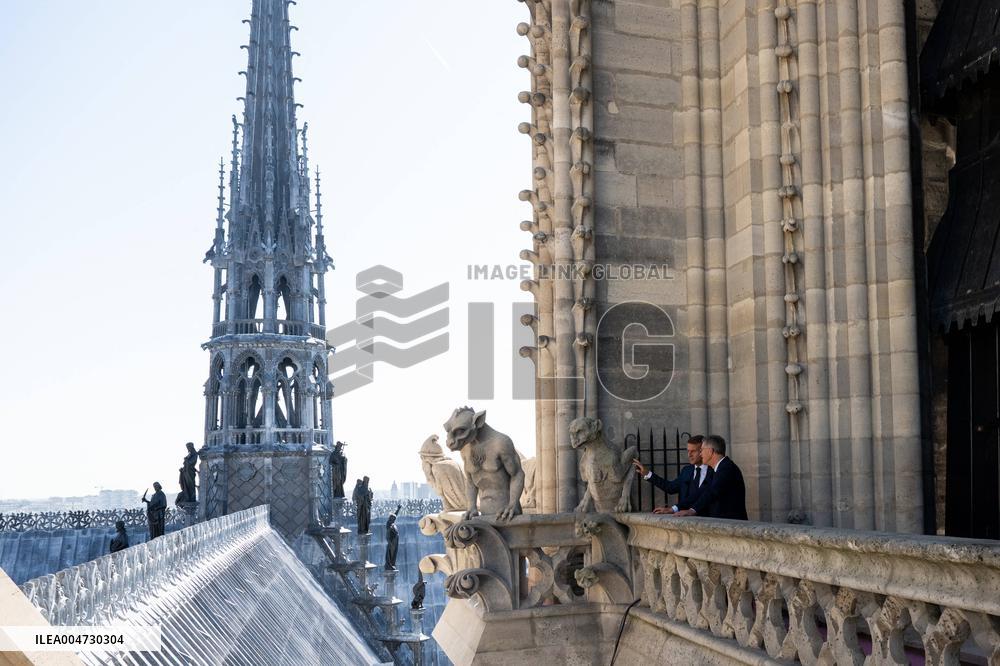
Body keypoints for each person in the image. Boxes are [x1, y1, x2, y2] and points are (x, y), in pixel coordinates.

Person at [669, 435, 748, 520]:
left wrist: (692, 510)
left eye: (702, 450)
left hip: (732, 526)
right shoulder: (719, 469)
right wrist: (673, 508)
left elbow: (712, 492)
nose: (700, 454)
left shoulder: (726, 468)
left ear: (710, 451)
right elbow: (701, 492)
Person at [631, 435, 713, 514]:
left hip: (709, 521)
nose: (689, 455)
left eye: (693, 451)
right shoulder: (686, 471)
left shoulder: (714, 471)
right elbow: (670, 488)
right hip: (685, 520)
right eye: (688, 451)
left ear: (703, 451)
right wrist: (648, 474)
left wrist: (673, 509)